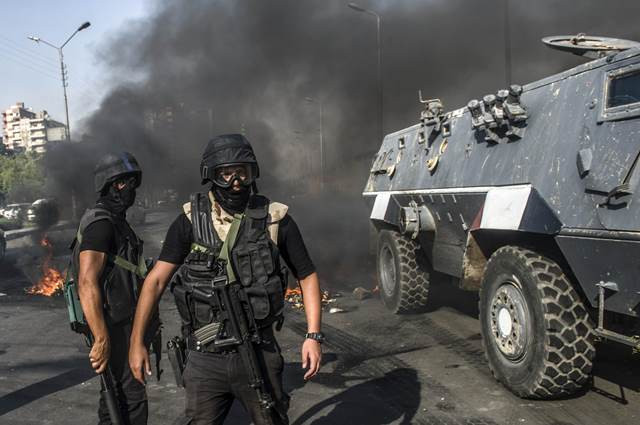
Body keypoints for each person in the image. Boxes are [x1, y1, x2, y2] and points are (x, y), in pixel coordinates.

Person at [129, 134, 323, 425]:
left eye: (242, 173)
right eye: (226, 174)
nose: (236, 182)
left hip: (259, 351)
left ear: (253, 174)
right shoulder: (189, 221)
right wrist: (137, 342)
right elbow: (156, 281)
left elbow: (307, 275)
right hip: (205, 358)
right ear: (211, 175)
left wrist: (313, 336)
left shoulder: (274, 219)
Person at [73, 152, 151, 425]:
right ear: (110, 185)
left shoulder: (113, 220)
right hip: (114, 328)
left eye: (132, 182)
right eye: (123, 182)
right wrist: (102, 339)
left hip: (120, 324)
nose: (131, 188)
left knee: (116, 402)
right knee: (130, 401)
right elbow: (86, 282)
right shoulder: (101, 224)